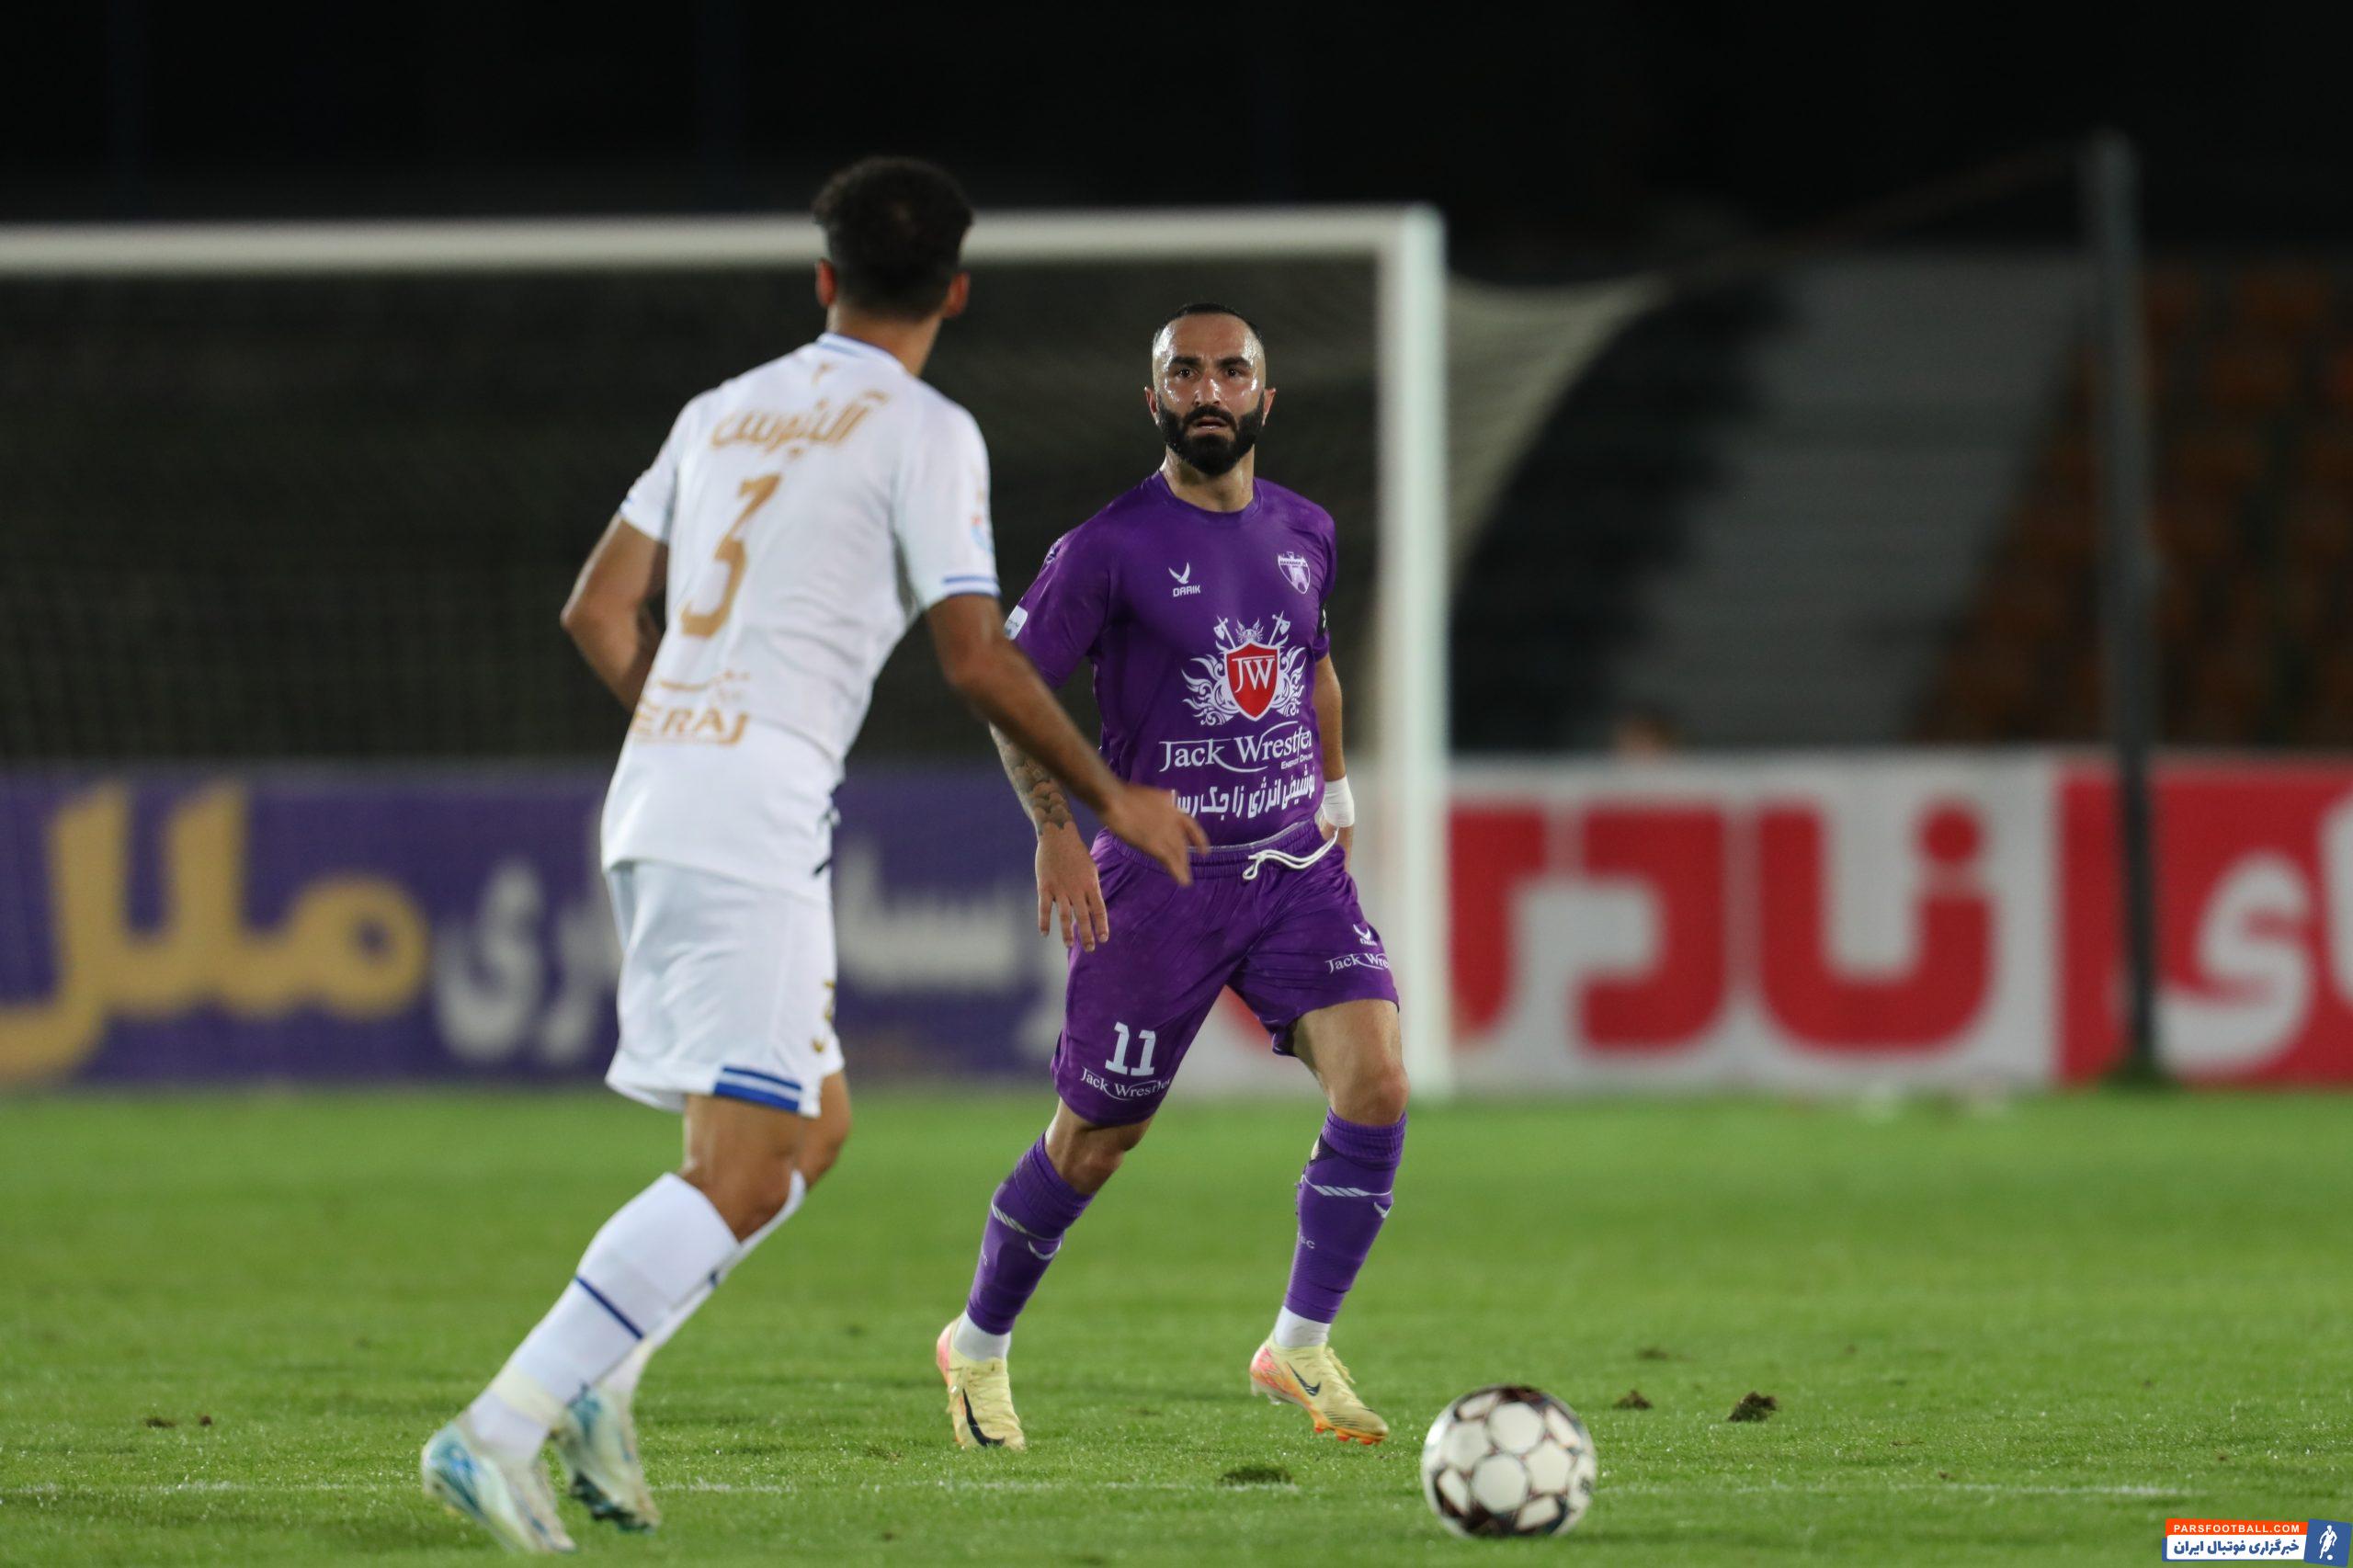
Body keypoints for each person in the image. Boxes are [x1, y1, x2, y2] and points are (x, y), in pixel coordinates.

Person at [418, 158, 1202, 1554]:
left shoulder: (722, 409)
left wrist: (691, 731)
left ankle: (603, 1387)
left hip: (665, 787)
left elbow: (600, 609)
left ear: (825, 278)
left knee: (810, 1130)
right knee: (742, 1164)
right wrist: (1111, 798)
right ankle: (499, 1423)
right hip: (747, 816)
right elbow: (978, 656)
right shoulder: (927, 430)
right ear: (955, 293)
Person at [934, 304, 1408, 1453]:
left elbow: (1312, 666)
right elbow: (1008, 687)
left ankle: (1297, 1342)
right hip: (1160, 881)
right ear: (1154, 400)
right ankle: (976, 1342)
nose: (1208, 391)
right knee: (1095, 1140)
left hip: (1292, 866)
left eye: (1230, 372)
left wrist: (1337, 797)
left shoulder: (1305, 528)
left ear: (1263, 398)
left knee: (1379, 1081)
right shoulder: (1106, 547)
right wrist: (1056, 829)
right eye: (1184, 373)